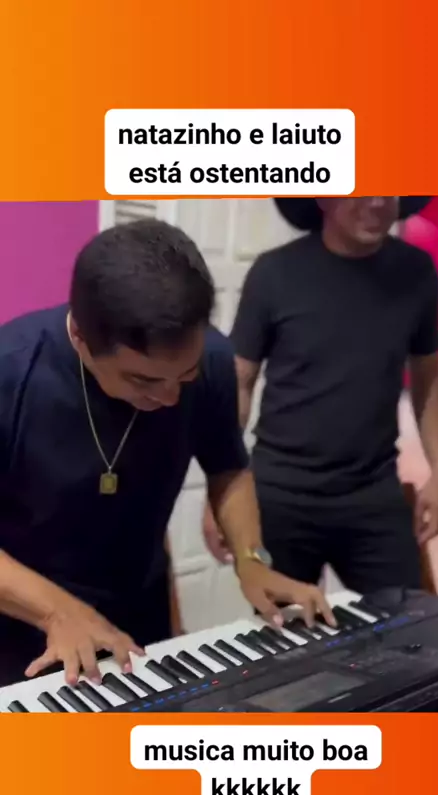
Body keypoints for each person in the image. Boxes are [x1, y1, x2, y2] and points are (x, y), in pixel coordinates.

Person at [0, 218, 335, 690]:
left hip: (139, 610)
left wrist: (252, 560)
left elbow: (228, 468)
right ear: (81, 339)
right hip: (20, 617)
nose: (170, 396)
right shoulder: (12, 370)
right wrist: (57, 612)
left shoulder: (213, 358)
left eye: (185, 375)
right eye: (143, 380)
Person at [204, 196, 438, 598]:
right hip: (281, 495)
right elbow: (240, 383)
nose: (378, 202)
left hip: (373, 492)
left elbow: (428, 376)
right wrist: (223, 490)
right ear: (323, 195)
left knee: (409, 623)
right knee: (288, 628)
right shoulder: (274, 273)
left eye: (389, 189)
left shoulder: (416, 273)